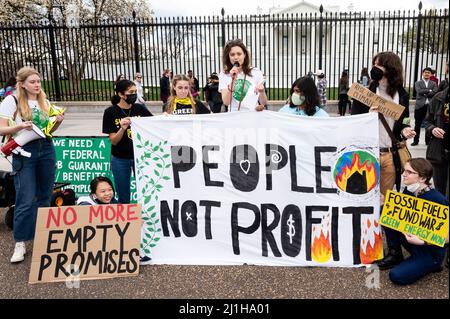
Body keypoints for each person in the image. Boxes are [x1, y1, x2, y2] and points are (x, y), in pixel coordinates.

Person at [0, 66, 64, 263]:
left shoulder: (44, 101)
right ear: (22, 84)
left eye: (38, 81)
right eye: (32, 82)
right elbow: (2, 129)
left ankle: (42, 237)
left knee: (45, 196)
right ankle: (20, 242)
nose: (37, 85)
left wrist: (58, 121)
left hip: (45, 148)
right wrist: (19, 126)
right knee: (25, 198)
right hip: (24, 151)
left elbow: (50, 129)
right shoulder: (11, 101)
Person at [374, 158, 448, 285]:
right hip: (412, 240)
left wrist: (423, 241)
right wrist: (386, 202)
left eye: (409, 172)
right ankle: (395, 253)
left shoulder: (438, 200)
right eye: (404, 170)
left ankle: (435, 264)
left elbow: (446, 237)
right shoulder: (409, 190)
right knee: (386, 210)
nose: (403, 174)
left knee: (396, 276)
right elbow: (403, 215)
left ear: (422, 178)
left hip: (430, 250)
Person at [352, 51, 416, 196]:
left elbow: (404, 121)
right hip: (368, 154)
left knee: (384, 198)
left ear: (391, 69)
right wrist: (368, 117)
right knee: (364, 195)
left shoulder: (402, 95)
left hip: (389, 156)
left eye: (379, 65)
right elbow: (353, 123)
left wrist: (405, 131)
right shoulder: (363, 94)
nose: (375, 68)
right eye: (374, 64)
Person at [102, 79, 153, 204]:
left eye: (135, 91)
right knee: (123, 194)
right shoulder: (110, 112)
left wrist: (164, 117)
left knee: (147, 191)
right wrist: (122, 129)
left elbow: (154, 125)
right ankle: (126, 220)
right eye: (131, 92)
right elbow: (113, 141)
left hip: (140, 157)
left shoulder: (140, 109)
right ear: (120, 94)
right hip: (120, 159)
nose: (134, 95)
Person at [219, 39, 267, 112]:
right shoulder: (224, 75)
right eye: (232, 54)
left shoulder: (256, 72)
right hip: (234, 117)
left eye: (239, 54)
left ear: (244, 55)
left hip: (253, 116)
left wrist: (262, 91)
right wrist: (233, 80)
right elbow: (226, 102)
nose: (236, 57)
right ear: (228, 57)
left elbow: (264, 102)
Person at [425, 86, 449, 198]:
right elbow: (427, 122)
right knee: (440, 191)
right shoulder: (438, 97)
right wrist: (432, 129)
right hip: (439, 152)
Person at [412, 67, 438, 146]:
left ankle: (427, 141)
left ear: (431, 74)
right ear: (422, 73)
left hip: (429, 106)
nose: (427, 74)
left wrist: (426, 91)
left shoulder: (433, 83)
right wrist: (429, 90)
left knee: (428, 124)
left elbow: (435, 92)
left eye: (428, 73)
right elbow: (419, 91)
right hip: (419, 106)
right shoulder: (417, 83)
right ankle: (416, 141)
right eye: (425, 72)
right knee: (417, 124)